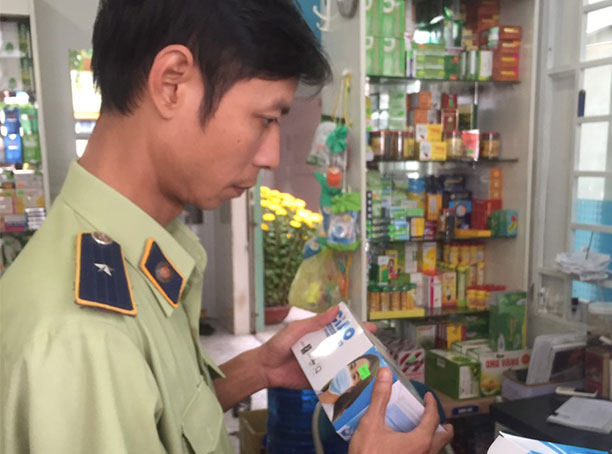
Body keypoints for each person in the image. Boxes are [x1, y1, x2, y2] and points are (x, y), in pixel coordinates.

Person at [0, 1, 453, 453]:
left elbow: (161, 418)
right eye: (267, 119)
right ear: (172, 82)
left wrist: (259, 369)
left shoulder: (132, 258)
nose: (270, 155)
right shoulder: (84, 337)